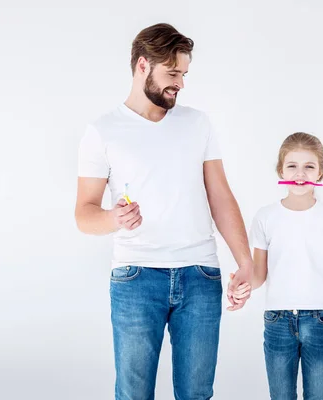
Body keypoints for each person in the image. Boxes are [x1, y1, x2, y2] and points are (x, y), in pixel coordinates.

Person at [75, 23, 253, 400]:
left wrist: (245, 260)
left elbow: (220, 196)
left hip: (200, 275)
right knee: (134, 393)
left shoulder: (197, 123)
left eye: (184, 74)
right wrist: (112, 218)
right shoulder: (103, 131)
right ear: (143, 65)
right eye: (173, 73)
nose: (181, 84)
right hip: (136, 279)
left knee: (197, 394)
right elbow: (83, 214)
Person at [231, 132, 323, 400]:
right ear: (281, 170)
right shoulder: (265, 217)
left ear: (320, 173)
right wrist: (242, 286)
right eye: (292, 166)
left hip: (321, 319)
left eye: (309, 166)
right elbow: (259, 275)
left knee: (318, 396)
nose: (300, 174)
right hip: (278, 320)